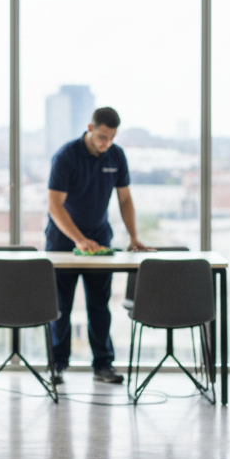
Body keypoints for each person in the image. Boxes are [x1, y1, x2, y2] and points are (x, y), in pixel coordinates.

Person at [45, 106, 149, 385]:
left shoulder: (116, 156)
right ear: (90, 129)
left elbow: (125, 199)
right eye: (102, 136)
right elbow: (55, 205)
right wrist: (78, 239)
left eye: (111, 138)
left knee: (99, 306)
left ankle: (103, 365)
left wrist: (134, 236)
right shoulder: (66, 156)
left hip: (100, 239)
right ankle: (57, 365)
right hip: (63, 241)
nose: (106, 143)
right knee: (60, 307)